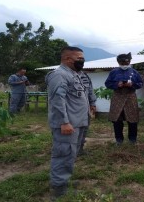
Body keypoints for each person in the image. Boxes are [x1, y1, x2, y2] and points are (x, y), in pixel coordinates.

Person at [45, 46, 89, 199]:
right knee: (63, 154)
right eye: (79, 58)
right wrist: (64, 122)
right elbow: (57, 100)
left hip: (78, 122)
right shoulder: (59, 75)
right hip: (67, 124)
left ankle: (64, 180)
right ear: (67, 59)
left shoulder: (74, 74)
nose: (82, 61)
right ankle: (58, 190)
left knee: (70, 154)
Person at [105, 52, 143, 145]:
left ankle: (132, 139)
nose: (125, 65)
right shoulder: (113, 72)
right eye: (122, 63)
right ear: (118, 62)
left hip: (130, 96)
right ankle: (119, 139)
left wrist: (132, 84)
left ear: (129, 62)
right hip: (117, 96)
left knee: (133, 120)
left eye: (127, 63)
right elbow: (107, 83)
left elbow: (140, 84)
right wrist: (116, 84)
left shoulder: (134, 72)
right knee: (117, 120)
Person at [78, 71, 97, 155]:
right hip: (72, 110)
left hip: (85, 108)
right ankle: (70, 151)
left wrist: (92, 103)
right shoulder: (64, 75)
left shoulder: (84, 76)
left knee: (84, 128)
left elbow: (90, 90)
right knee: (74, 130)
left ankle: (80, 149)